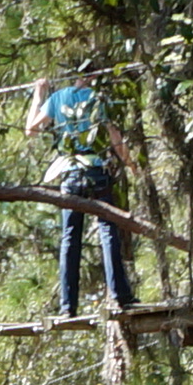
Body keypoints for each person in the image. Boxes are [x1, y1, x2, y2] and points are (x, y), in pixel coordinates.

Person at [40, 73, 134, 318]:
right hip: (96, 170)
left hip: (70, 173)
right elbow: (114, 137)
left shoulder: (57, 98)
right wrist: (130, 163)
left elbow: (32, 127)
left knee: (70, 238)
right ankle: (120, 294)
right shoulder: (98, 98)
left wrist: (39, 92)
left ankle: (67, 305)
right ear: (93, 76)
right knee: (108, 230)